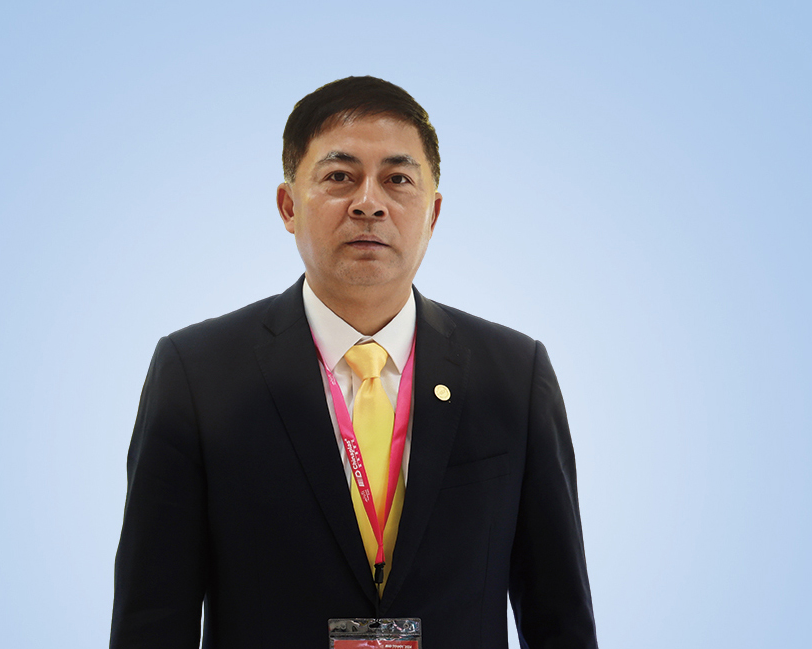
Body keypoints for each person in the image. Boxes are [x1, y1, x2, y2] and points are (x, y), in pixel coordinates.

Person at [110, 76, 598, 649]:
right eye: (340, 177)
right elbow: (152, 617)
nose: (369, 202)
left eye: (398, 179)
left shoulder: (514, 373)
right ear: (289, 206)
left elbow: (558, 615)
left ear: (433, 213)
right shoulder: (197, 373)